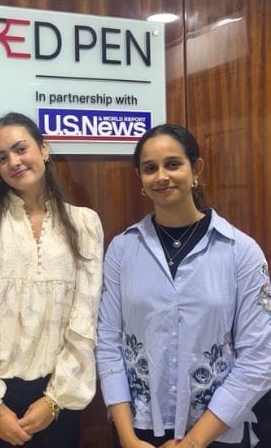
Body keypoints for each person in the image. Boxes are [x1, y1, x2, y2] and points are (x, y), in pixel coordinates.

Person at [96, 123, 271, 448]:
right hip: (139, 431)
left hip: (219, 430)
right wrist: (127, 437)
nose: (161, 176)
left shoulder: (241, 252)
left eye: (173, 164)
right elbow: (107, 344)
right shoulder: (122, 250)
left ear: (196, 169)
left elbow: (260, 358)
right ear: (140, 179)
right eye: (150, 168)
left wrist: (192, 443)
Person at [0, 112, 104, 447]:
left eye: (21, 149)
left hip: (56, 400)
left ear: (44, 149)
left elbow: (84, 318)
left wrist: (55, 400)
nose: (13, 162)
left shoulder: (84, 224)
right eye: (1, 158)